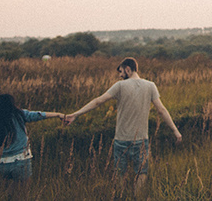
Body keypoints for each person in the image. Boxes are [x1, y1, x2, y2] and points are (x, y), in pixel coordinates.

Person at [64, 57, 182, 196]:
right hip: (141, 140)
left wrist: (75, 114)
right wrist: (175, 131)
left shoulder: (119, 86)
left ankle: (121, 197)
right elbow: (161, 110)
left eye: (121, 72)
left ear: (128, 69)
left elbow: (98, 101)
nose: (120, 75)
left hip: (121, 141)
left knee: (120, 176)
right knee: (141, 174)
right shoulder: (150, 86)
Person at [0, 94, 65, 195]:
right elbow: (38, 115)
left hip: (3, 165)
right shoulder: (19, 115)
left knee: (8, 194)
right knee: (22, 195)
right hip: (21, 161)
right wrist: (58, 114)